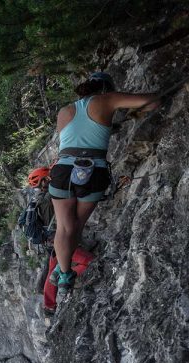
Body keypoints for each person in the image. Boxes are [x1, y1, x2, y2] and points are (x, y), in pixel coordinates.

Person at [47, 72, 159, 299]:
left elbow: (78, 135)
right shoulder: (107, 99)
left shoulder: (64, 111)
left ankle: (63, 271)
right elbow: (154, 101)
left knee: (64, 227)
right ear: (106, 88)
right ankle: (64, 270)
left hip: (63, 170)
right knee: (76, 227)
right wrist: (133, 112)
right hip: (93, 171)